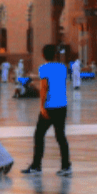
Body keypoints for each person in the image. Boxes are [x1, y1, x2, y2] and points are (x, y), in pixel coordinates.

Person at [25, 46, 74, 177]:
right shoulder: (62, 67)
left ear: (43, 55)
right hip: (62, 105)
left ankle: (36, 166)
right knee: (60, 136)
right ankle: (66, 165)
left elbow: (44, 87)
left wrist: (42, 106)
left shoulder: (44, 68)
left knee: (39, 135)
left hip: (50, 105)